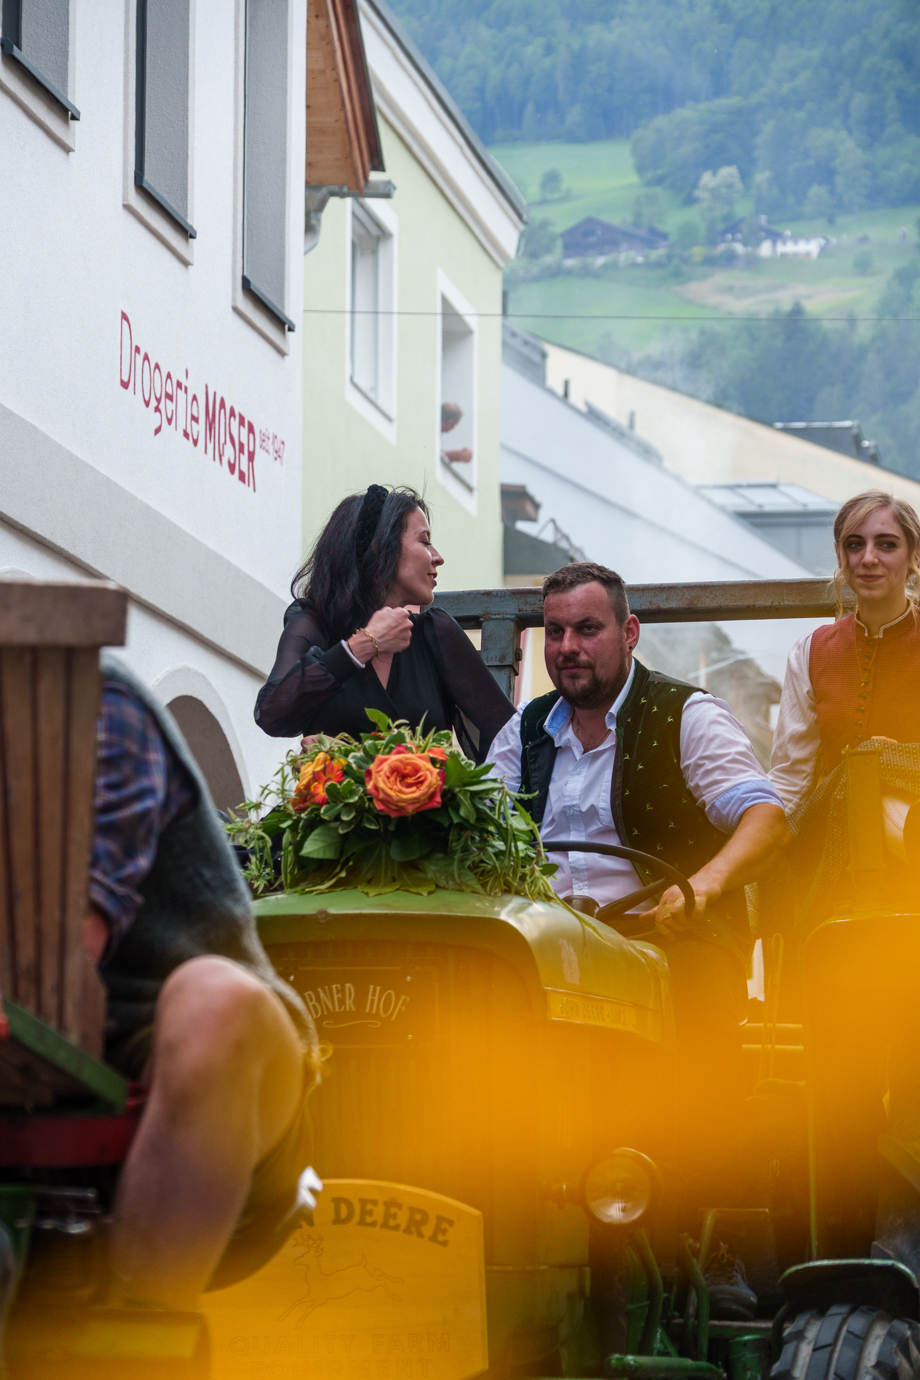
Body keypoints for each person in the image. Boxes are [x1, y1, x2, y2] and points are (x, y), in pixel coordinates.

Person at [489, 563, 788, 1311]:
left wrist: (703, 888)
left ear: (628, 633)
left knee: (697, 1015)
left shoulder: (688, 715)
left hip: (667, 940)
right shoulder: (524, 730)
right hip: (550, 947)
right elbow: (479, 833)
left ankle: (710, 1241)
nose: (567, 647)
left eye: (587, 629)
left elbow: (766, 820)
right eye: (555, 631)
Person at [87, 656, 322, 1310]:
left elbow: (59, 961)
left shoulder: (95, 703)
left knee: (220, 1001)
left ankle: (138, 1331)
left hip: (178, 1054)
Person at [255, 484, 514, 760]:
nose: (437, 557)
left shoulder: (435, 633)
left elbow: (510, 738)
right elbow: (272, 714)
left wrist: (355, 758)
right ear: (381, 547)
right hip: (332, 792)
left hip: (427, 791)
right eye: (425, 541)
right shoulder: (314, 623)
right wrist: (360, 648)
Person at [770, 489, 920, 811]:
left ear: (915, 555)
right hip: (833, 827)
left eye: (887, 544)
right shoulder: (810, 652)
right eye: (855, 545)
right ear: (840, 555)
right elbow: (790, 780)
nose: (868, 558)